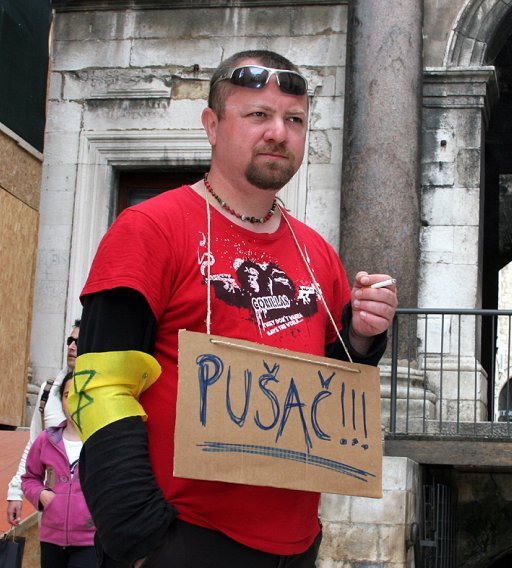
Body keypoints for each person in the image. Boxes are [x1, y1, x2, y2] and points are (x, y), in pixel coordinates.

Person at [69, 49, 397, 568]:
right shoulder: (149, 228)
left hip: (295, 544)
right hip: (183, 539)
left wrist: (361, 334)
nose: (278, 133)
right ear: (212, 125)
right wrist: (140, 537)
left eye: (294, 120)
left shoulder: (317, 253)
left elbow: (330, 389)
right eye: (257, 115)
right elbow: (97, 387)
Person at [7, 321, 80, 526]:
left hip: (88, 517)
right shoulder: (48, 391)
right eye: (70, 340)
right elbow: (34, 443)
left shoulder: (101, 396)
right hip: (52, 513)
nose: (72, 346)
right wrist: (15, 491)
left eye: (79, 341)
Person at [22, 373, 96, 568]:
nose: (72, 401)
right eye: (66, 395)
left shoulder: (100, 443)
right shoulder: (46, 440)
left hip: (90, 540)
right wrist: (40, 494)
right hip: (51, 539)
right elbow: (30, 477)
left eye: (79, 394)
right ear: (61, 400)